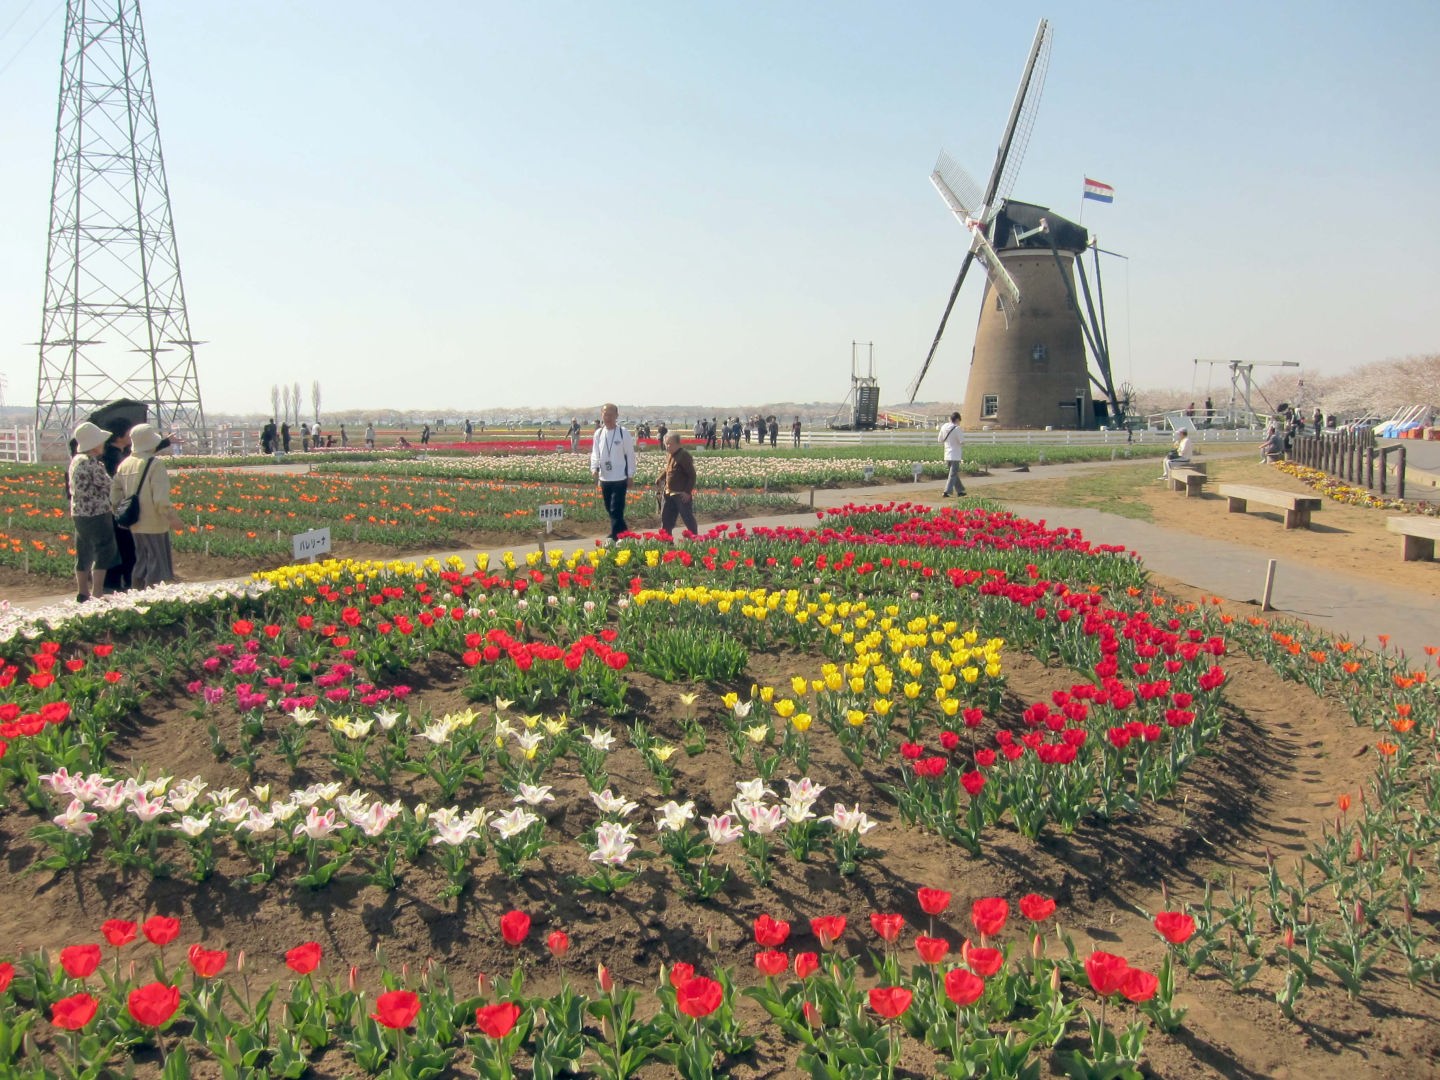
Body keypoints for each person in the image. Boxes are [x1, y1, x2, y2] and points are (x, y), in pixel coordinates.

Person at [110, 423, 181, 589]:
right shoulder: (155, 464)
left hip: (135, 523)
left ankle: (137, 592)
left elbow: (114, 494)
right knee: (157, 563)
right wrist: (172, 517)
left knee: (142, 560)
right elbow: (160, 499)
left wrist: (119, 510)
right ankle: (152, 597)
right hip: (154, 523)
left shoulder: (125, 464)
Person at [69, 422, 120, 602]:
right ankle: (97, 591)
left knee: (83, 550)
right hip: (97, 512)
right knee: (105, 548)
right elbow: (108, 486)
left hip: (79, 512)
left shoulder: (76, 460)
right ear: (94, 445)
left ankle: (82, 591)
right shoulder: (92, 463)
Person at [590, 402, 636, 542]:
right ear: (602, 415)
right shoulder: (599, 433)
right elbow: (595, 453)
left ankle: (614, 536)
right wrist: (594, 468)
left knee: (616, 508)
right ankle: (625, 534)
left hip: (620, 478)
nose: (608, 418)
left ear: (616, 416)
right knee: (609, 509)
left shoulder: (623, 433)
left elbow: (630, 455)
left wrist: (630, 475)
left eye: (611, 415)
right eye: (605, 415)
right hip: (605, 478)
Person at [99, 422, 136, 592]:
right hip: (116, 507)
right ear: (119, 436)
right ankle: (117, 581)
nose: (130, 436)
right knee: (122, 544)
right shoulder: (110, 456)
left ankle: (125, 579)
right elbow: (113, 484)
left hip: (121, 506)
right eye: (128, 433)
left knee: (125, 544)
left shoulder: (123, 453)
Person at [656, 431, 699, 537]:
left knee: (687, 518)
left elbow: (692, 475)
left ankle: (694, 538)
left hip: (681, 494)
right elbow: (668, 469)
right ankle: (667, 540)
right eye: (666, 444)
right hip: (668, 492)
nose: (667, 446)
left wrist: (687, 492)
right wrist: (660, 478)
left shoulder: (683, 455)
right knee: (666, 518)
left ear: (678, 444)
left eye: (670, 444)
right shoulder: (670, 455)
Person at [938, 411, 967, 497]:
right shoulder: (957, 428)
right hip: (955, 454)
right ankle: (946, 491)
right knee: (953, 474)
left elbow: (940, 439)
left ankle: (960, 490)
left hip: (947, 454)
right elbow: (962, 441)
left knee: (953, 474)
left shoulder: (944, 427)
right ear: (957, 419)